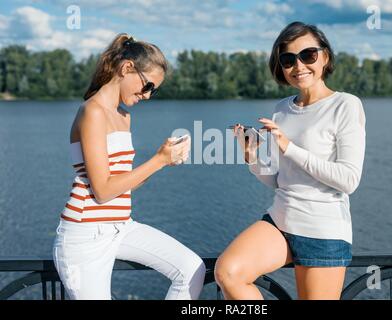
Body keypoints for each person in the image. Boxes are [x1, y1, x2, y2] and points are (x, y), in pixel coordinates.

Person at [215, 22, 366, 300]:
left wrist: (290, 147)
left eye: (308, 55)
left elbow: (348, 180)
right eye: (288, 59)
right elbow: (277, 180)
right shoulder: (282, 109)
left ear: (325, 57)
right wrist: (251, 156)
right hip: (280, 221)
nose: (298, 65)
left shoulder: (345, 105)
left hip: (323, 230)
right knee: (228, 273)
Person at [53, 33, 206, 300]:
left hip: (121, 226)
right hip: (85, 236)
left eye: (154, 91)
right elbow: (102, 190)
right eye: (148, 86)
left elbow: (122, 181)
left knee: (191, 269)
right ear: (127, 68)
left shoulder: (124, 117)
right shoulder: (93, 112)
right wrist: (158, 159)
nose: (148, 96)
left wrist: (166, 161)